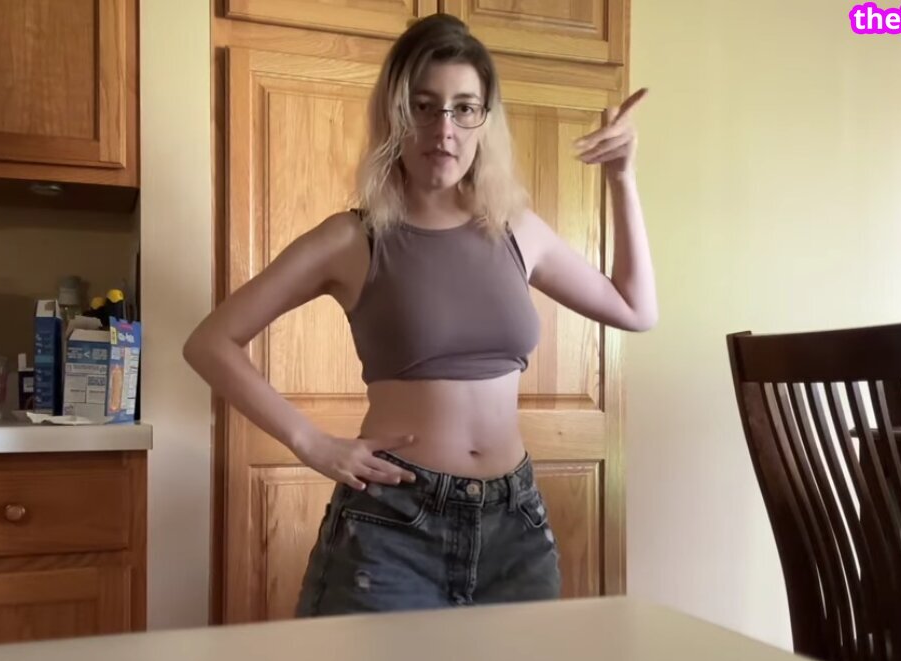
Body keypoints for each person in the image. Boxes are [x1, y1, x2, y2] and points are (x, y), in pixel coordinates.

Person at [184, 14, 656, 616]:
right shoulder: (352, 238)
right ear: (395, 115)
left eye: (465, 108)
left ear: (485, 120)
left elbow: (635, 309)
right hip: (393, 526)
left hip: (515, 527)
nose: (444, 129)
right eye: (424, 107)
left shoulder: (515, 230)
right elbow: (210, 342)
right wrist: (311, 442)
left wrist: (622, 178)